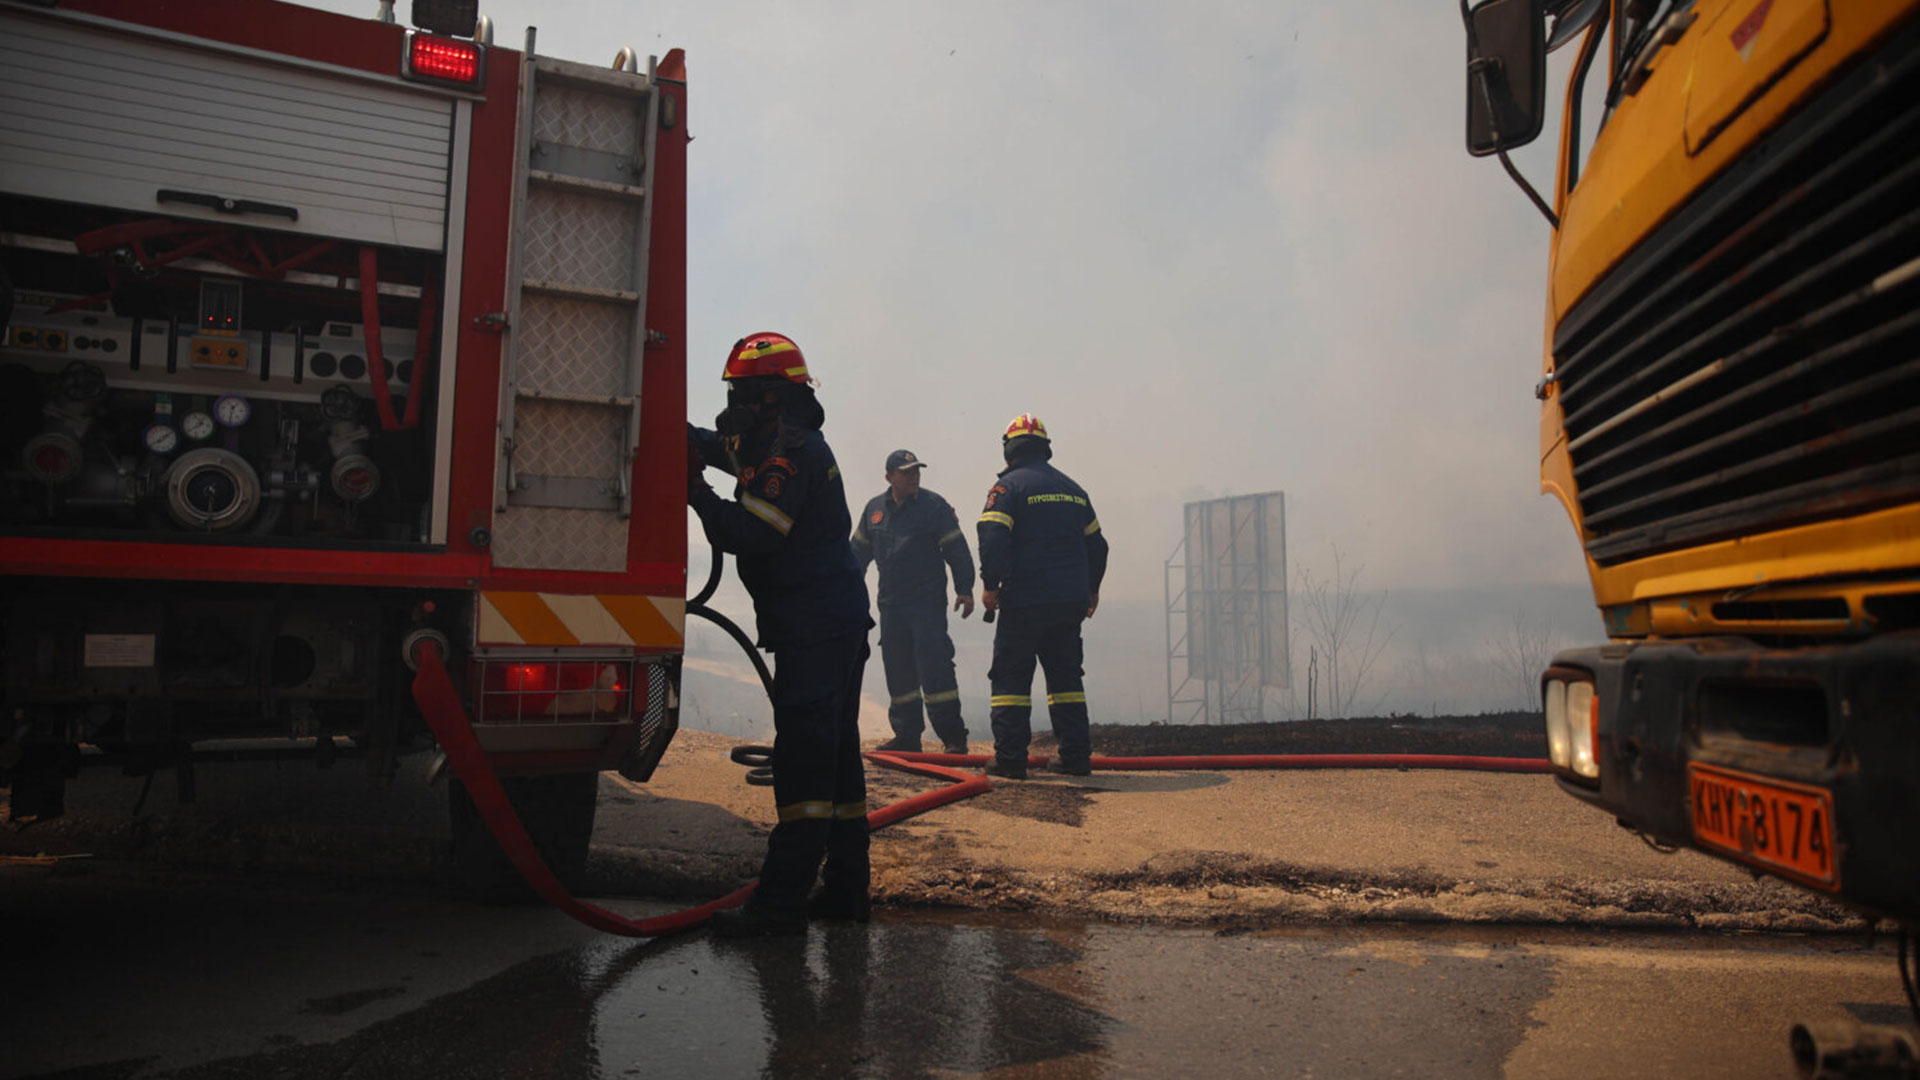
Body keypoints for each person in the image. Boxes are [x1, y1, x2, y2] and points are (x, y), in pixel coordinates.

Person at [688, 332, 874, 936]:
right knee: (839, 766)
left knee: (803, 765)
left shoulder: (791, 455)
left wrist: (695, 493)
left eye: (741, 392)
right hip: (831, 623)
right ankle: (846, 892)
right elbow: (726, 448)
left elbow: (753, 533)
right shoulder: (774, 444)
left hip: (816, 629)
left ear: (772, 397)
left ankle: (778, 907)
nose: (733, 403)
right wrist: (678, 435)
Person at [975, 414, 1108, 779]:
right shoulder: (1074, 490)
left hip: (1025, 600)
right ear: (1045, 448)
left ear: (1010, 448)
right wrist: (1091, 588)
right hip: (1069, 603)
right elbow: (1098, 545)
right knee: (1065, 679)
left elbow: (992, 534)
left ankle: (1011, 759)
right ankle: (1076, 757)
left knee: (1011, 680)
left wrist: (990, 584)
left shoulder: (1007, 489)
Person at [851, 449, 976, 755]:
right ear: (889, 477)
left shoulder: (934, 507)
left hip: (926, 605)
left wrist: (965, 588)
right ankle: (907, 737)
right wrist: (843, 593)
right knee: (899, 672)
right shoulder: (874, 510)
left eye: (917, 471)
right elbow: (856, 557)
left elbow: (956, 549)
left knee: (936, 670)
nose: (914, 476)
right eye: (907, 472)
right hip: (891, 606)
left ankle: (954, 739)